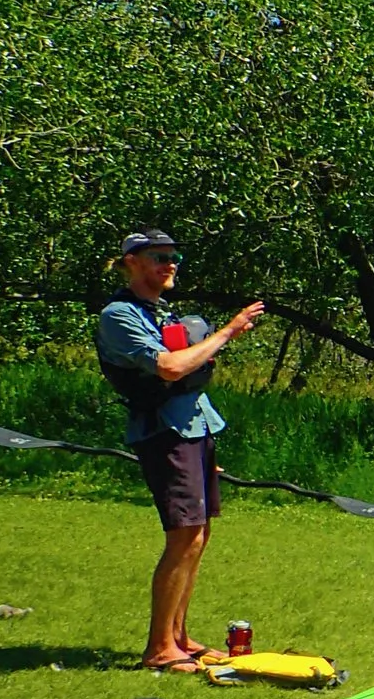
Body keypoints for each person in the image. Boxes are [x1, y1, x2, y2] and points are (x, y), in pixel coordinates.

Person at [94, 231, 267, 670]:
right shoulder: (119, 315)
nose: (170, 264)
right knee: (183, 536)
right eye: (159, 257)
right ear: (131, 262)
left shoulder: (159, 310)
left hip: (195, 428)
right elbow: (169, 368)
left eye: (174, 257)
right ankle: (158, 649)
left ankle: (180, 637)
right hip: (165, 432)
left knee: (199, 535)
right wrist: (228, 331)